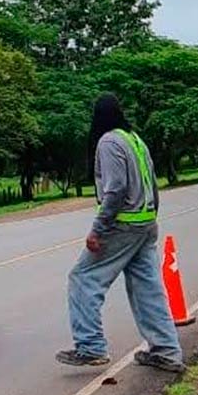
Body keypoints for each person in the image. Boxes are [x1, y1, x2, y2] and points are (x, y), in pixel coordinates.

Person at [56, 94, 185, 372]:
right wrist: (151, 218)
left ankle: (90, 347)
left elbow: (115, 190)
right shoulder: (135, 139)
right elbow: (153, 184)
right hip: (145, 223)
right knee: (148, 289)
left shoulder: (108, 142)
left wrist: (98, 229)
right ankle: (167, 351)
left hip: (122, 225)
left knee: (83, 279)